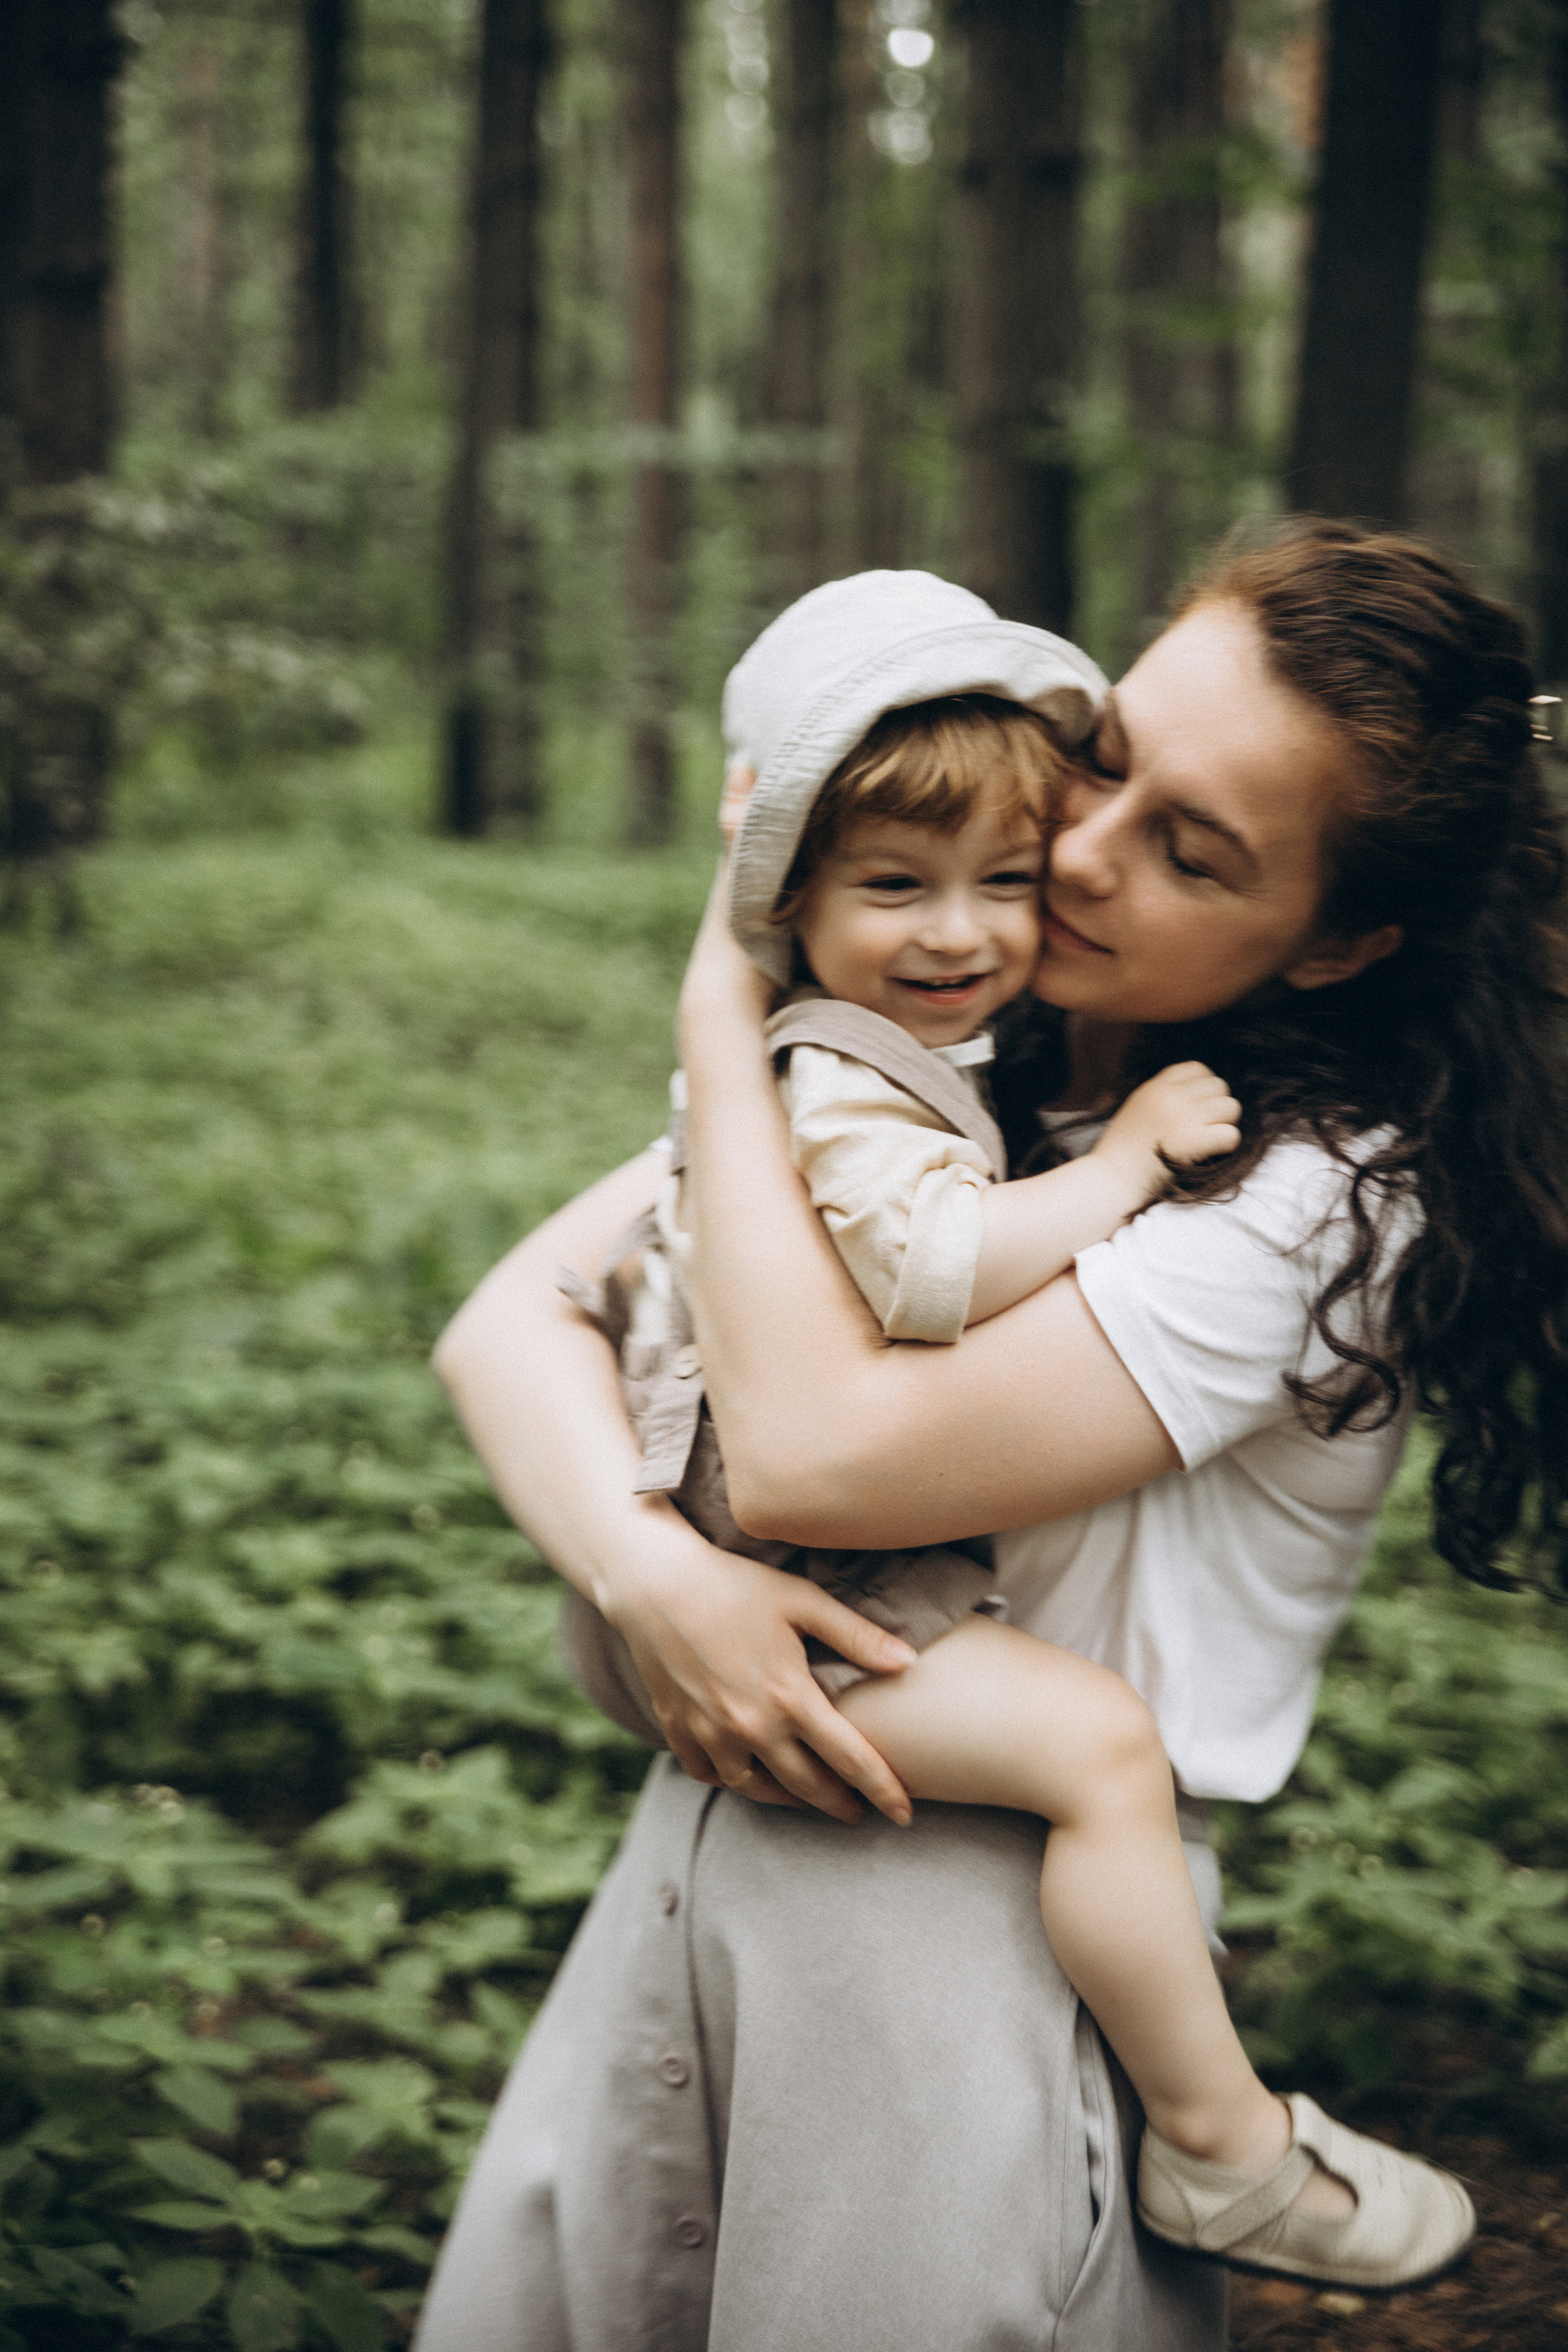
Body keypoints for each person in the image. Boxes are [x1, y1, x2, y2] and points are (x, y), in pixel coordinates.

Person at [417, 524, 1568, 2352]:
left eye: (1192, 851)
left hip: (976, 1954)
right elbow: (509, 1322)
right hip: (719, 1833)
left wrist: (725, 998)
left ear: (1341, 942)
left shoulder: (1323, 1202)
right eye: (1106, 760)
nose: (1077, 856)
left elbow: (807, 1462)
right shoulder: (975, 1046)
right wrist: (648, 1575)